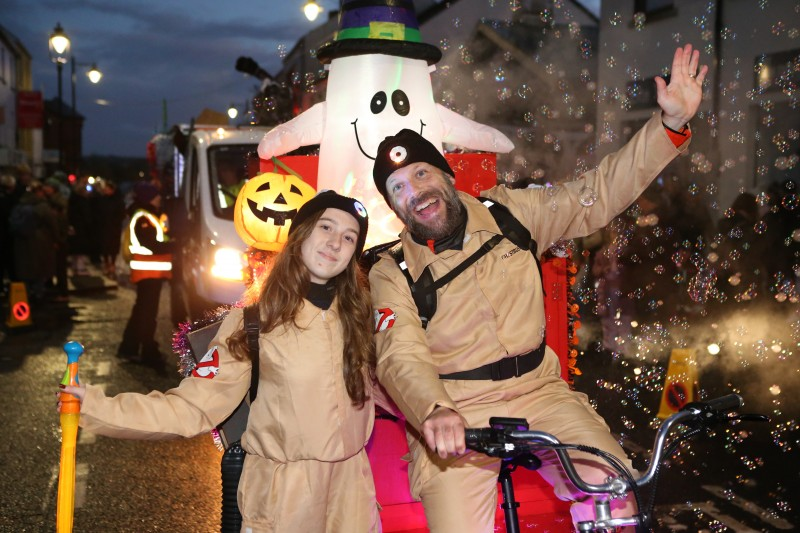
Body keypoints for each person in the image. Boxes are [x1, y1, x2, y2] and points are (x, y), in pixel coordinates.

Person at [367, 44, 707, 531]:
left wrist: (667, 127)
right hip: (456, 407)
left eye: (420, 173)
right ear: (393, 207)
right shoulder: (391, 269)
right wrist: (434, 409)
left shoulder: (512, 213)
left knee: (615, 496)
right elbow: (399, 354)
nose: (414, 191)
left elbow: (597, 194)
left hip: (541, 391)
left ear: (446, 174)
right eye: (397, 188)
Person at [59, 191, 382, 532]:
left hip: (353, 496)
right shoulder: (254, 323)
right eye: (325, 227)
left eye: (349, 237)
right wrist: (95, 406)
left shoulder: (360, 319)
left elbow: (397, 382)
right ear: (300, 235)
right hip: (283, 498)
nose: (335, 242)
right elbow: (192, 407)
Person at [117, 181, 174, 369]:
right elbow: (153, 245)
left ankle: (129, 348)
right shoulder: (143, 218)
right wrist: (178, 245)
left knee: (140, 313)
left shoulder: (148, 215)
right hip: (147, 274)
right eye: (156, 195)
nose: (159, 198)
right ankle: (148, 351)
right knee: (147, 315)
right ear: (149, 197)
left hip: (150, 274)